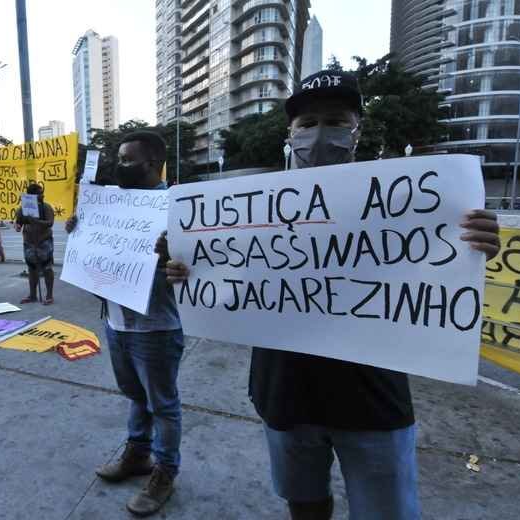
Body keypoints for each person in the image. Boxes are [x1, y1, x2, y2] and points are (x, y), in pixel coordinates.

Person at [163, 70, 502, 520]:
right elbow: (225, 278)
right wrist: (187, 267)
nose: (319, 133)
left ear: (357, 131)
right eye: (306, 124)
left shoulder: (409, 198)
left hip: (374, 400)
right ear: (290, 134)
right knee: (304, 506)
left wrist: (474, 244)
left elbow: (439, 264)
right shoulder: (250, 204)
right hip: (285, 394)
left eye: (335, 120)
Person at [65, 131, 183, 517]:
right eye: (118, 159)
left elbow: (199, 268)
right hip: (116, 322)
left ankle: (165, 471)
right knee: (135, 396)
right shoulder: (112, 205)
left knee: (162, 405)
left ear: (152, 163)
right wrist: (79, 232)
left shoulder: (177, 208)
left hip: (156, 327)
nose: (119, 166)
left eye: (128, 160)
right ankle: (137, 454)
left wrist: (175, 253)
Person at [15, 183, 55, 305]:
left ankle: (49, 295)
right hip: (29, 243)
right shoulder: (22, 209)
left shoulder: (46, 207)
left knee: (47, 268)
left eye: (42, 192)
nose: (43, 195)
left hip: (44, 241)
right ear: (32, 196)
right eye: (40, 193)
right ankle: (33, 295)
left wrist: (35, 221)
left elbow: (50, 223)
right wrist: (17, 226)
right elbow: (18, 223)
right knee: (32, 269)